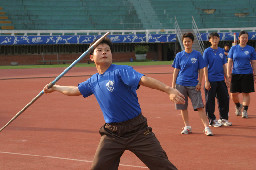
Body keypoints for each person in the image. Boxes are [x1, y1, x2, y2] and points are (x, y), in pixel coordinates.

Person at [44, 37, 185, 170]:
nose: (104, 52)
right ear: (91, 57)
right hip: (112, 134)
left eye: (107, 50)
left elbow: (143, 79)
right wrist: (55, 87)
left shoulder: (121, 70)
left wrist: (168, 89)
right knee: (98, 167)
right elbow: (74, 90)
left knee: (162, 165)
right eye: (99, 50)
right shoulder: (93, 81)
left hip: (138, 131)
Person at [172, 32, 213, 136]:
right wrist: (172, 86)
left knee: (199, 106)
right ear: (183, 42)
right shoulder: (179, 55)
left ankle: (206, 127)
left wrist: (200, 82)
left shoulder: (197, 55)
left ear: (192, 42)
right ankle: (187, 126)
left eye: (188, 41)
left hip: (194, 84)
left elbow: (201, 69)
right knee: (183, 107)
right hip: (180, 84)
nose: (186, 43)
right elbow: (176, 71)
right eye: (185, 41)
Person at [203, 32, 232, 127]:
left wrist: (226, 78)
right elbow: (205, 67)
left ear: (219, 39)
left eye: (216, 38)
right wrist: (206, 80)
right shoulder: (207, 51)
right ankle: (212, 120)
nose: (215, 40)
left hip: (220, 79)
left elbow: (224, 65)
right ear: (209, 40)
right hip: (211, 79)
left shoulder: (221, 51)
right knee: (210, 100)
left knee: (224, 98)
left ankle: (223, 118)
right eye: (213, 38)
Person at [227, 31, 256, 118]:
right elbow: (230, 61)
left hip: (247, 73)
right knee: (233, 94)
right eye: (242, 37)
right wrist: (228, 73)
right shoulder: (234, 48)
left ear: (248, 39)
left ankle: (245, 110)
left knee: (245, 93)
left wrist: (255, 74)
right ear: (239, 38)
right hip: (236, 73)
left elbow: (253, 62)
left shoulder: (251, 49)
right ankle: (238, 106)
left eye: (246, 37)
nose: (244, 39)